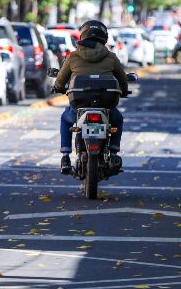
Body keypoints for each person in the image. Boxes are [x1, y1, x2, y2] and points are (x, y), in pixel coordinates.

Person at [52, 20, 129, 174]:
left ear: (83, 35)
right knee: (118, 119)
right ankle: (113, 154)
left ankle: (65, 156)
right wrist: (125, 91)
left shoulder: (73, 56)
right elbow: (123, 80)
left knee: (65, 119)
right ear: (103, 38)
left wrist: (58, 88)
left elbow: (60, 80)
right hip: (106, 106)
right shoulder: (111, 57)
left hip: (79, 105)